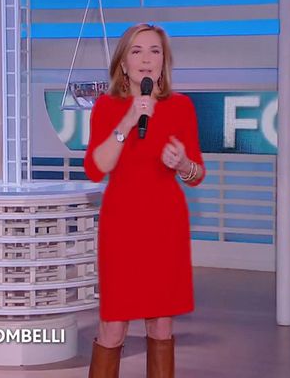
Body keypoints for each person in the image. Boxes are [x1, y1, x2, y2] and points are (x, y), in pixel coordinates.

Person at [84, 23, 205, 378]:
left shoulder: (181, 107)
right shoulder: (106, 107)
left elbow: (197, 174)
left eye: (154, 51)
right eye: (136, 51)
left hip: (165, 224)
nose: (146, 59)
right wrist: (128, 120)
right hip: (121, 225)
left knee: (161, 324)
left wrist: (183, 164)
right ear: (123, 63)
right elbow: (96, 168)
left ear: (164, 61)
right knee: (112, 326)